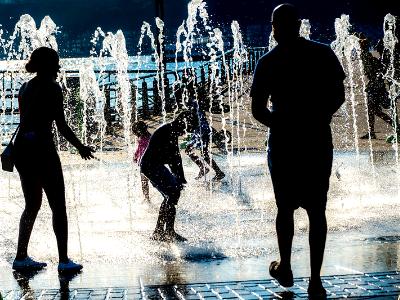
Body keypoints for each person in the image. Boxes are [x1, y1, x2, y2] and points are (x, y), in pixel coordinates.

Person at [250, 4, 345, 297]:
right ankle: (316, 280)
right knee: (317, 210)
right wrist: (318, 116)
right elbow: (338, 95)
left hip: (284, 144)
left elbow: (257, 110)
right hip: (316, 139)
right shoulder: (323, 53)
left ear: (276, 27)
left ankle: (286, 267)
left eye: (274, 25)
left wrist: (281, 124)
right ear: (300, 24)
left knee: (285, 208)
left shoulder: (269, 61)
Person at [13, 47, 94, 273]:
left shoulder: (25, 87)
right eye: (56, 63)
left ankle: (21, 257)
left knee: (32, 205)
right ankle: (64, 260)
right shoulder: (52, 88)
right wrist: (80, 147)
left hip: (22, 149)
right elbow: (61, 125)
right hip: (42, 150)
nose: (59, 67)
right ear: (49, 65)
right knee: (58, 206)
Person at [140, 111, 198, 242]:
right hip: (151, 166)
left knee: (170, 195)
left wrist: (180, 178)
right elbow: (174, 158)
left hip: (154, 165)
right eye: (187, 128)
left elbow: (175, 157)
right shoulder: (168, 131)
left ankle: (160, 231)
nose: (186, 132)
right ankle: (168, 232)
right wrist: (180, 178)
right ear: (182, 122)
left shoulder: (170, 130)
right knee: (172, 193)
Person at [358, 36, 399, 139]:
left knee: (374, 110)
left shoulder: (372, 58)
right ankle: (373, 131)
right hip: (376, 86)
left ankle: (396, 127)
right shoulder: (379, 59)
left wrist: (363, 45)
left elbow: (366, 57)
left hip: (375, 87)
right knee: (372, 110)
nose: (376, 47)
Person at [184, 101, 225, 181]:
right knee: (204, 153)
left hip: (201, 130)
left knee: (189, 150)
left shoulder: (191, 103)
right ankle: (216, 172)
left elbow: (193, 119)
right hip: (204, 129)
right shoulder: (195, 103)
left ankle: (206, 169)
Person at [132, 121, 151, 202]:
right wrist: (136, 155)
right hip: (144, 163)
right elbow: (139, 148)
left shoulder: (148, 138)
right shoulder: (143, 138)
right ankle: (146, 198)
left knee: (145, 182)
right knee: (144, 182)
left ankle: (147, 198)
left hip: (147, 163)